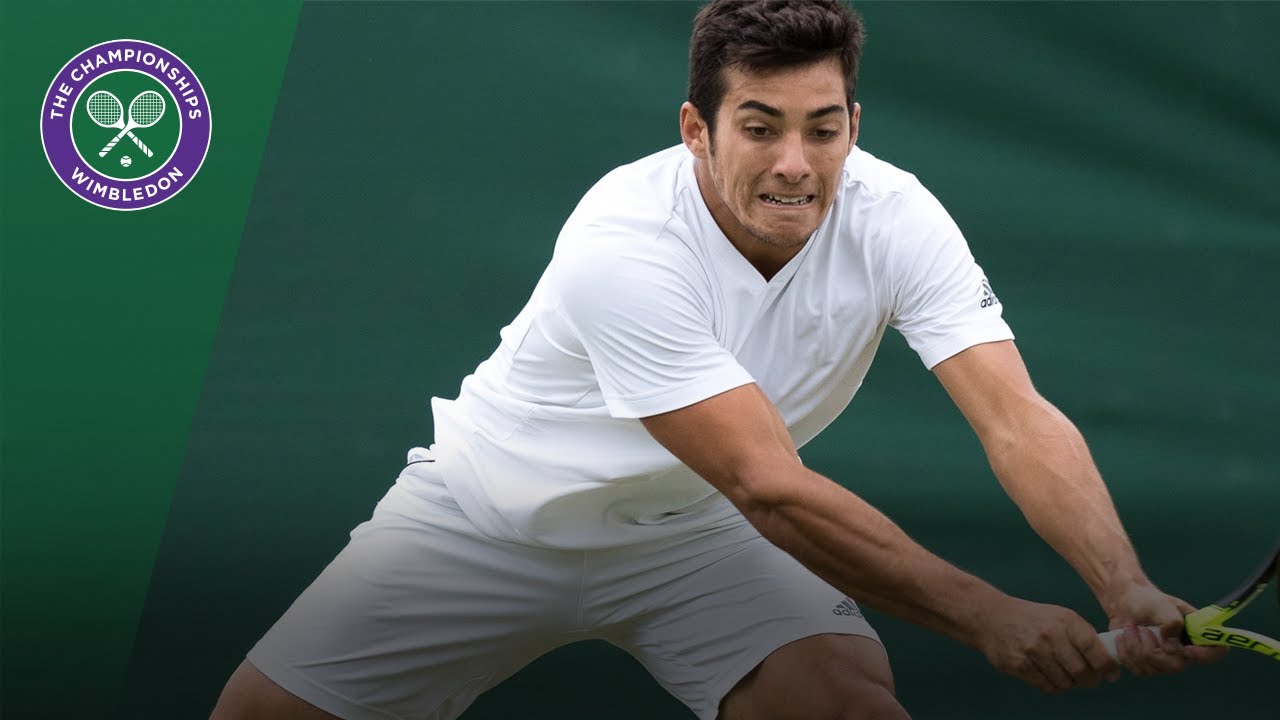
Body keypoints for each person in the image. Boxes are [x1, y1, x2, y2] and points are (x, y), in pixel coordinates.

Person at [211, 2, 1220, 718]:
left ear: (854, 125)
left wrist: (1121, 585)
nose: (795, 164)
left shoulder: (896, 215)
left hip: (694, 535)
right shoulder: (623, 241)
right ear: (696, 129)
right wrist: (986, 615)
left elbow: (1014, 417)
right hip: (490, 521)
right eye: (759, 128)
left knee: (845, 709)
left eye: (823, 129)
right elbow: (765, 484)